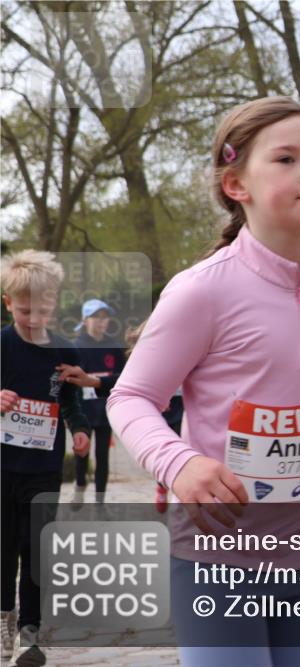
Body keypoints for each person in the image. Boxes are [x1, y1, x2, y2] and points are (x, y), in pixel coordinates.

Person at [106, 96, 300, 667]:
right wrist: (179, 463)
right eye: (286, 159)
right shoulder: (201, 291)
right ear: (236, 183)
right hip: (215, 559)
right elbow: (131, 397)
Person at [1, 250, 91, 666]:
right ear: (7, 302)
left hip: (44, 469)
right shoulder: (2, 344)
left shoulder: (65, 350)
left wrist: (79, 430)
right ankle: (5, 622)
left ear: (54, 303)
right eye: (24, 310)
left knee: (36, 550)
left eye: (42, 309)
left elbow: (72, 401)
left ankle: (30, 636)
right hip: (3, 466)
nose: (33, 317)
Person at [56, 298, 126, 508]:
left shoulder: (114, 346)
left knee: (102, 456)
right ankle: (79, 488)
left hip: (105, 410)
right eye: (96, 317)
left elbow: (122, 377)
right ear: (85, 320)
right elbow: (68, 382)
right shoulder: (75, 346)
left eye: (105, 317)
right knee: (82, 452)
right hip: (83, 411)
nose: (101, 322)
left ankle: (100, 502)